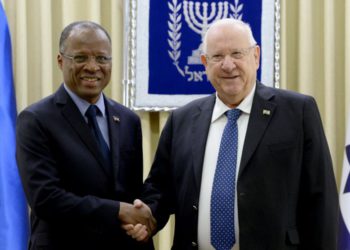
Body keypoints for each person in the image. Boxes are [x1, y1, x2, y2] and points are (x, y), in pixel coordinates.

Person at [129, 18, 339, 249]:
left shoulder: (297, 112)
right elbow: (160, 187)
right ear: (204, 63)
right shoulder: (182, 119)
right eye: (217, 57)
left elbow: (321, 200)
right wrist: (147, 214)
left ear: (256, 56)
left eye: (237, 53)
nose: (228, 65)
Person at [16, 21, 155, 250]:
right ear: (60, 61)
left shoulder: (128, 120)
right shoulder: (36, 120)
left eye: (102, 58)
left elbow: (131, 194)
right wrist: (118, 211)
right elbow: (46, 199)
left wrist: (142, 223)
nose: (92, 67)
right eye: (80, 58)